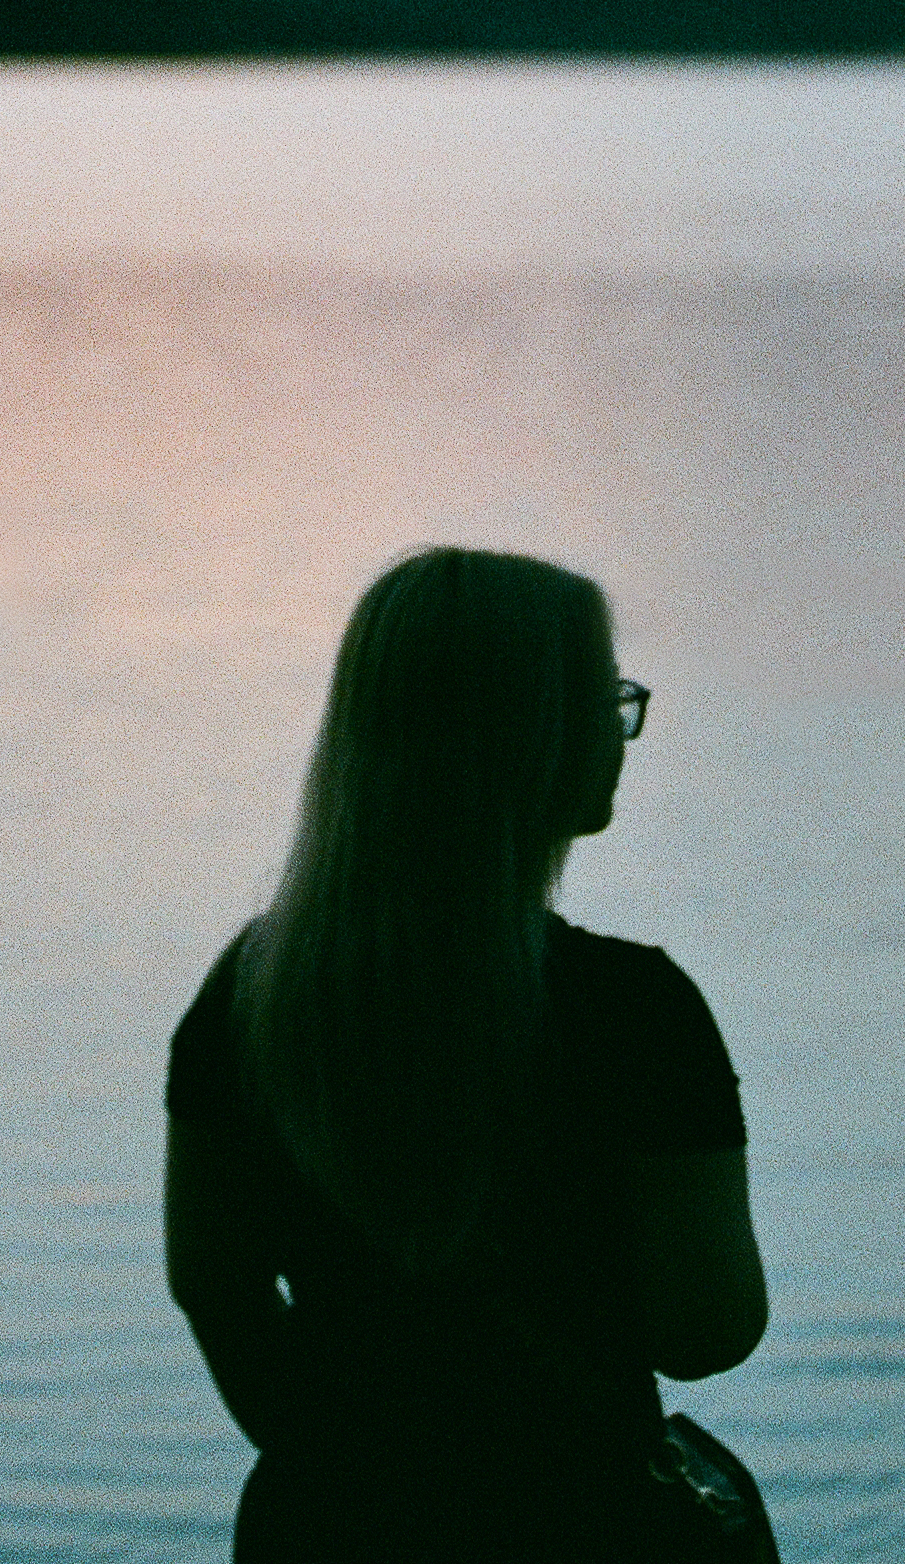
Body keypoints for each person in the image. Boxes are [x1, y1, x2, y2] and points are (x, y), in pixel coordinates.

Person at [164, 545, 768, 1560]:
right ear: (535, 734)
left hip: (328, 1524)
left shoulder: (250, 992)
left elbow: (213, 1282)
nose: (620, 737)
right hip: (587, 1523)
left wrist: (336, 1458)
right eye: (602, 702)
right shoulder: (634, 1012)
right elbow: (706, 1330)